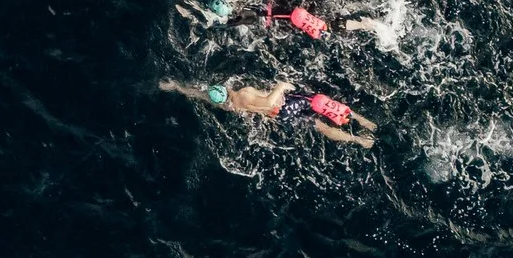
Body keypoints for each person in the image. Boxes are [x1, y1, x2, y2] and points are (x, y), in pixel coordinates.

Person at [159, 77, 378, 146]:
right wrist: (281, 86)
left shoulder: (228, 106)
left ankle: (357, 140)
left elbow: (198, 94)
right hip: (283, 105)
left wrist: (177, 87)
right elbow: (267, 102)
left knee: (319, 126)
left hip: (280, 116)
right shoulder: (242, 94)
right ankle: (361, 120)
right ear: (225, 89)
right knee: (320, 102)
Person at [170, 0, 384, 38]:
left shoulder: (239, 18)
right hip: (287, 6)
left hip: (287, 19)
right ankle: (364, 8)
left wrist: (187, 14)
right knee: (329, 7)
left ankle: (363, 24)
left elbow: (215, 24)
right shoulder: (242, 1)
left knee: (329, 24)